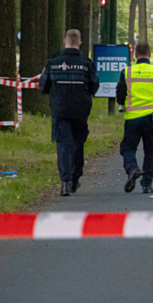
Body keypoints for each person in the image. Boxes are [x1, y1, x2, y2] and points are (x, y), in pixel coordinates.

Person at [39, 29, 100, 196]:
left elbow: (42, 86)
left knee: (63, 145)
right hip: (80, 111)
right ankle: (75, 176)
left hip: (60, 110)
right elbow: (95, 86)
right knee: (78, 143)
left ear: (64, 41)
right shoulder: (86, 64)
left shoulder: (53, 63)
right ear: (79, 43)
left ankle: (65, 181)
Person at [116, 41, 153, 194]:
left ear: (135, 55)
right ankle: (147, 184)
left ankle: (132, 169)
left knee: (128, 148)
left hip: (132, 118)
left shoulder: (127, 72)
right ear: (149, 55)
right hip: (152, 118)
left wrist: (122, 103)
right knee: (151, 151)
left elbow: (120, 94)